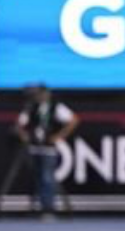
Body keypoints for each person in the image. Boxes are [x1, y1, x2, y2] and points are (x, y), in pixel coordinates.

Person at [14, 84, 79, 216]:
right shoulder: (31, 107)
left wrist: (59, 136)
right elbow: (19, 124)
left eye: (42, 94)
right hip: (33, 148)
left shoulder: (56, 107)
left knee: (47, 177)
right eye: (37, 94)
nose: (40, 96)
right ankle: (37, 206)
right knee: (37, 178)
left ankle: (48, 208)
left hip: (49, 149)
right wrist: (23, 135)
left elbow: (74, 120)